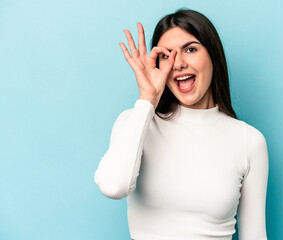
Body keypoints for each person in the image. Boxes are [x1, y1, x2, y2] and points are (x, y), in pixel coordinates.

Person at [94, 8, 269, 240]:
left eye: (190, 49)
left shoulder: (249, 141)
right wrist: (148, 99)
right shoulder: (134, 121)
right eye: (166, 55)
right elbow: (113, 187)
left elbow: (254, 236)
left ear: (213, 56)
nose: (177, 64)